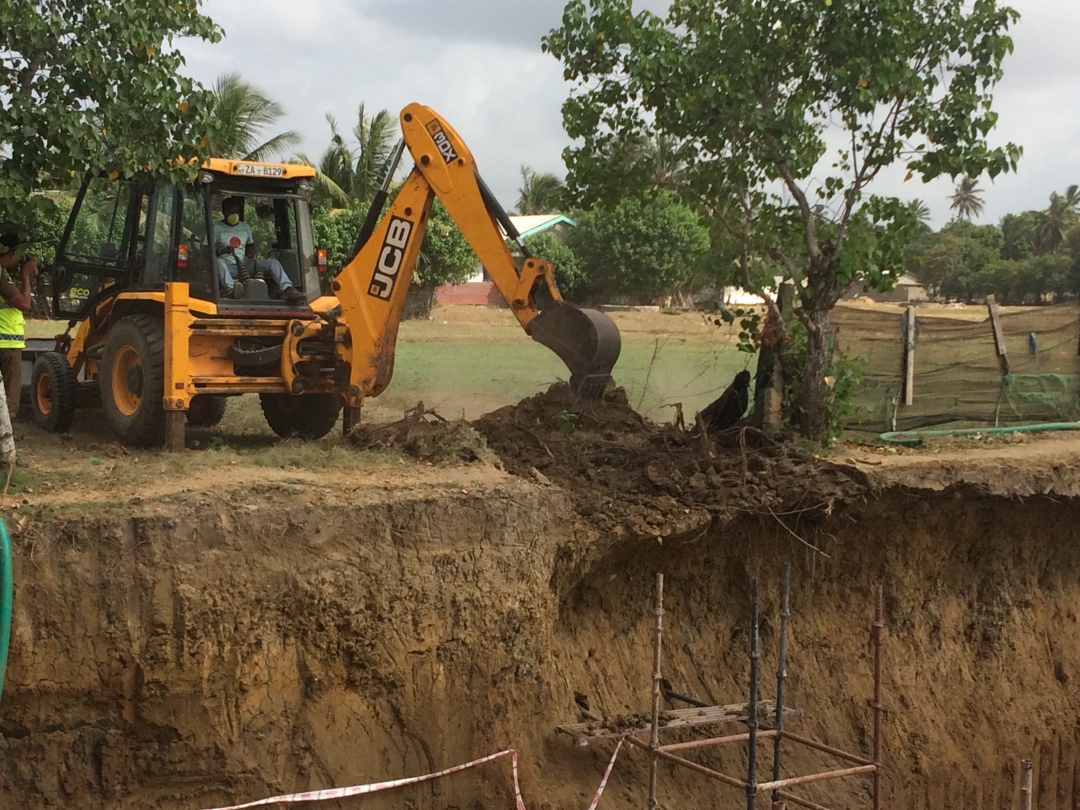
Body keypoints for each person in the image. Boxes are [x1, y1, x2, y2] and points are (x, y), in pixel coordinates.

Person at [213, 197, 305, 304]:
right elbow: (206, 250)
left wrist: (251, 252)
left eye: (237, 211)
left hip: (243, 266)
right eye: (231, 212)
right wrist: (221, 251)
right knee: (219, 262)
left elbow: (250, 245)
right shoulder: (216, 228)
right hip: (227, 267)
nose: (234, 214)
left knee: (272, 263)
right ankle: (233, 290)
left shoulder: (245, 227)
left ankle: (287, 289)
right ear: (224, 212)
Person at [0, 230, 38, 418]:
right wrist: (25, 276)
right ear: (12, 254)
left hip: (5, 343)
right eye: (20, 256)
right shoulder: (1, 277)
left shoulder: (4, 275)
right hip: (7, 345)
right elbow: (24, 304)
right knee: (9, 401)